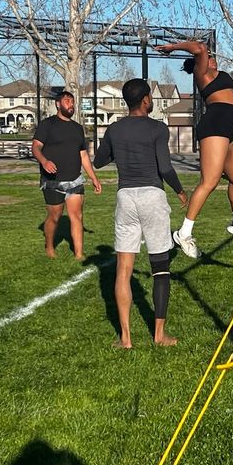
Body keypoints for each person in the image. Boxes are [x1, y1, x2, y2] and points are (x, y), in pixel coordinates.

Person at [93, 79, 189, 348]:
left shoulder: (114, 129)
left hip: (126, 198)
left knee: (123, 271)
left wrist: (115, 144)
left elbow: (99, 161)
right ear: (146, 99)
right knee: (160, 268)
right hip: (151, 197)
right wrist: (181, 192)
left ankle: (125, 339)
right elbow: (165, 168)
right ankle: (159, 335)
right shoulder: (158, 128)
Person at [154, 40, 233, 258]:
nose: (211, 56)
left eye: (212, 55)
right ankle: (183, 233)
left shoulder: (225, 78)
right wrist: (173, 48)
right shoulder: (202, 74)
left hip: (227, 128)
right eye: (207, 56)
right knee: (210, 181)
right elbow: (200, 48)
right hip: (213, 126)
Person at [32, 91, 102, 259]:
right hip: (52, 181)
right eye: (66, 101)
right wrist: (44, 161)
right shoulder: (47, 125)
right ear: (58, 104)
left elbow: (83, 155)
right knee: (54, 216)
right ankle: (49, 246)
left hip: (75, 180)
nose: (70, 104)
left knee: (77, 216)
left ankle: (79, 254)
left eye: (72, 101)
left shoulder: (77, 128)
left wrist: (93, 177)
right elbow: (35, 147)